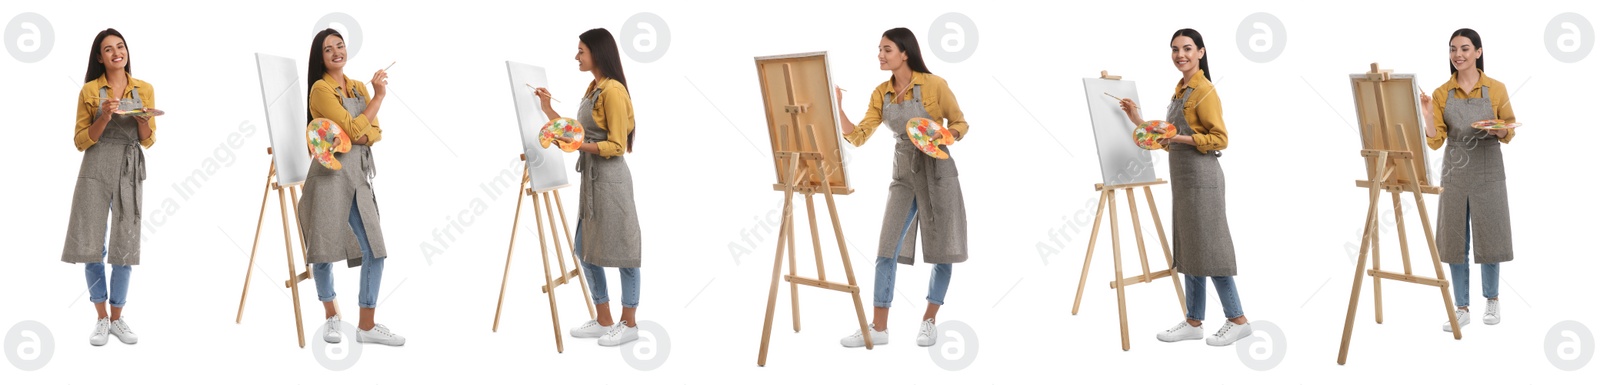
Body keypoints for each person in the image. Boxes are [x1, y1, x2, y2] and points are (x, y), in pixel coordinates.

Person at [833, 27, 970, 348]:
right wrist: (837, 107)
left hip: (938, 170)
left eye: (887, 49)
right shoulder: (881, 93)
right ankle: (879, 328)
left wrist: (944, 135)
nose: (880, 55)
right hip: (903, 174)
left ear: (905, 53)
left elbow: (960, 122)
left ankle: (929, 320)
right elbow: (858, 135)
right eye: (879, 49)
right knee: (886, 249)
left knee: (943, 249)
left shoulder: (935, 84)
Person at [1118, 28, 1254, 346]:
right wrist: (1138, 121)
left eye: (1188, 49)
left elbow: (1220, 139)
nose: (1181, 55)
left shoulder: (1204, 91)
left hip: (1203, 180)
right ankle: (1194, 321)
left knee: (1211, 248)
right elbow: (1169, 140)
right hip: (1184, 180)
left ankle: (1238, 319)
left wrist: (1176, 137)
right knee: (1192, 247)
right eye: (1175, 49)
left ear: (1201, 53)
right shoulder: (1180, 91)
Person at [535, 28, 645, 347]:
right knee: (586, 248)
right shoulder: (593, 87)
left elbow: (616, 145)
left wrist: (577, 146)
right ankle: (604, 319)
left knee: (624, 252)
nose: (577, 56)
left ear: (597, 52)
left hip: (612, 181)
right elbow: (578, 131)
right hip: (593, 180)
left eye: (581, 50)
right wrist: (547, 110)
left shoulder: (613, 91)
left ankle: (630, 323)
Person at [302, 28, 403, 346]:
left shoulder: (359, 86)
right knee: (324, 250)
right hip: (329, 176)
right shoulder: (320, 89)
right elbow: (347, 132)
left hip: (358, 177)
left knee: (375, 249)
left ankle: (367, 326)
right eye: (328, 49)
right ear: (320, 57)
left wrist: (362, 127)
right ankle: (331, 316)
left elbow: (374, 133)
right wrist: (378, 99)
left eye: (340, 46)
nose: (336, 52)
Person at [63, 28, 156, 346]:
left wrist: (143, 118)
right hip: (96, 165)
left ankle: (118, 318)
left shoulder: (144, 88)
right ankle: (101, 318)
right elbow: (79, 141)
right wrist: (102, 117)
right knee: (91, 243)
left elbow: (149, 138)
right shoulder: (90, 90)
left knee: (125, 245)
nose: (117, 52)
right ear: (99, 57)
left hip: (128, 166)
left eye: (121, 46)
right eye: (108, 49)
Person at [1419, 28, 1516, 332]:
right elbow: (1435, 141)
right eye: (1452, 49)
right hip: (1456, 168)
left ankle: (1493, 299)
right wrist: (1426, 115)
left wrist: (1498, 130)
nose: (1457, 55)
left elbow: (1509, 128)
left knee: (1491, 233)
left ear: (1478, 51)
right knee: (1454, 237)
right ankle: (1460, 306)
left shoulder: (1496, 88)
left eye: (1464, 48)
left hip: (1489, 166)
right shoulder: (1440, 93)